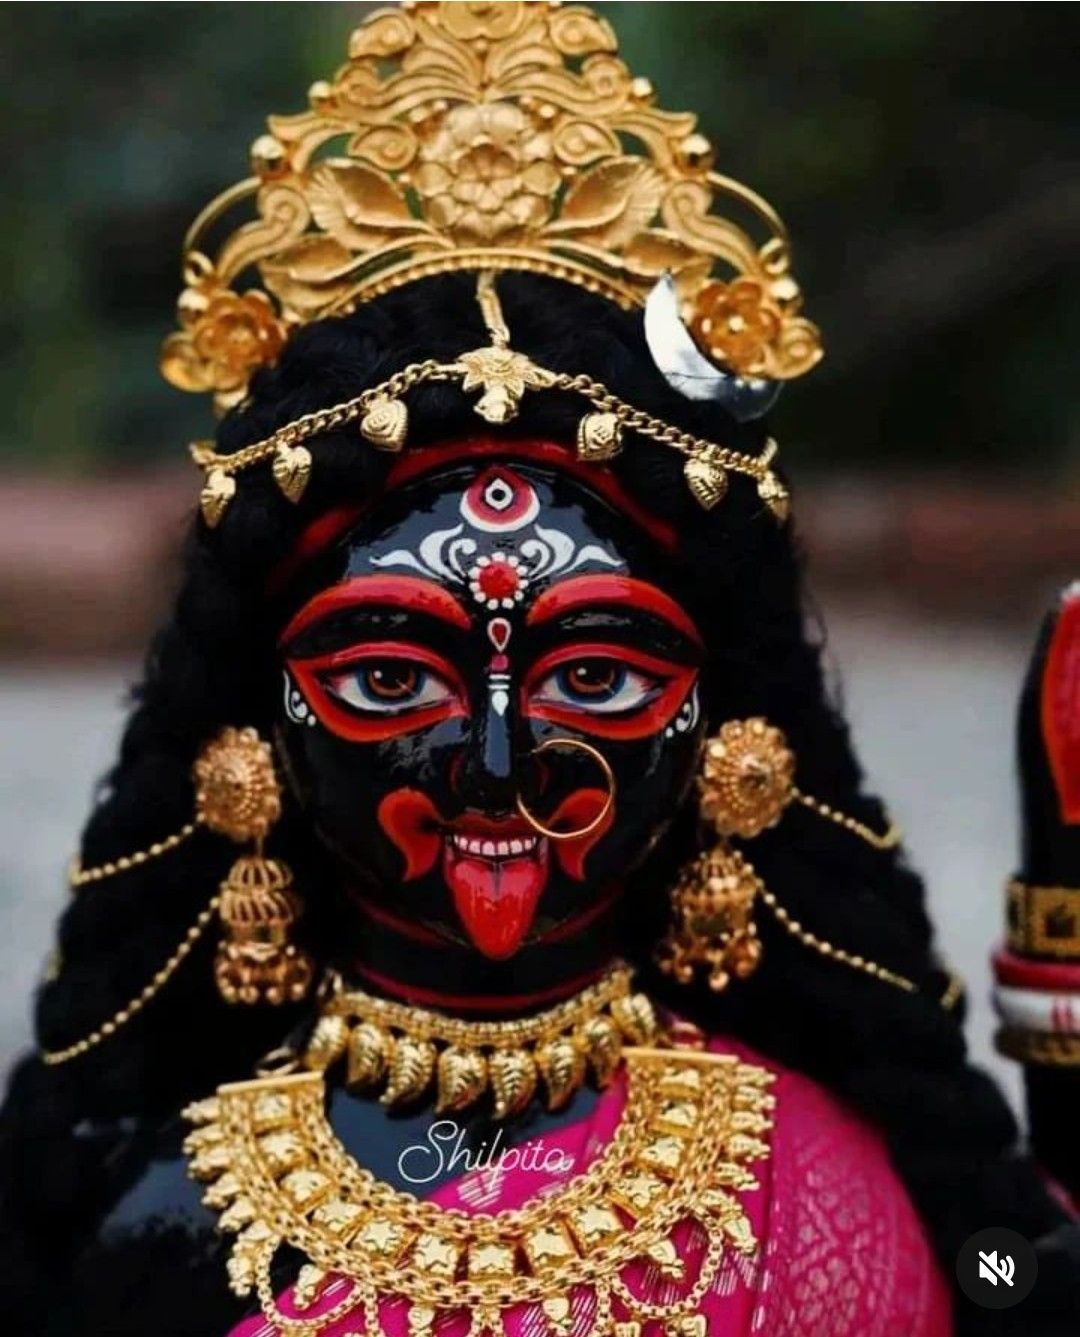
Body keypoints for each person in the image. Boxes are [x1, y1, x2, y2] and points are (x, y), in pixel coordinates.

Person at [1, 5, 1077, 1334]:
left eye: (602, 682)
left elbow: (1014, 1278)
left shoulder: (826, 1191)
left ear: (727, 744)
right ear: (250, 739)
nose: (500, 768)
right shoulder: (156, 1217)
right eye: (393, 684)